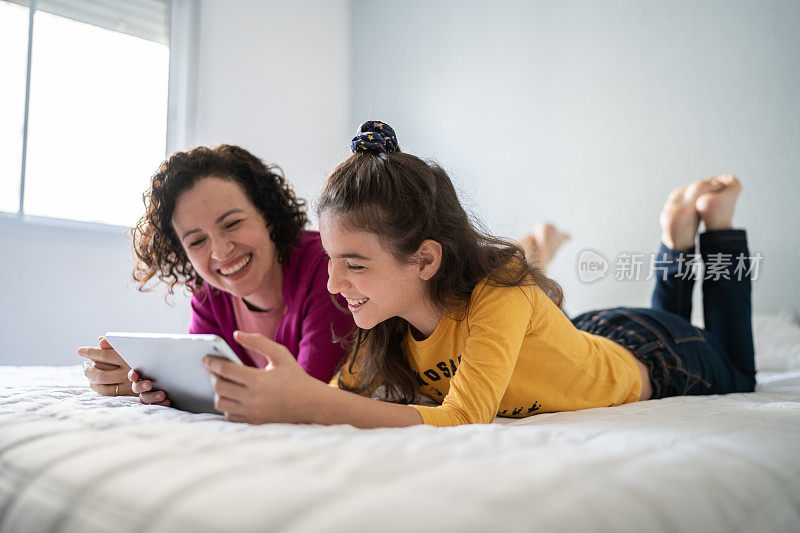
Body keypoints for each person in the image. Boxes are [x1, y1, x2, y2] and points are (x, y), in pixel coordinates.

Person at [196, 122, 756, 427]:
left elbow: (464, 415)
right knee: (665, 324)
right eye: (333, 260)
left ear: (425, 259)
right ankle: (677, 236)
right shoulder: (383, 323)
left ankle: (714, 228)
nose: (332, 284)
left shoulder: (498, 288)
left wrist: (311, 403)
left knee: (736, 368)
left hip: (660, 357)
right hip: (593, 337)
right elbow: (339, 398)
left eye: (354, 264)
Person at [78, 145, 354, 405]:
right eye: (197, 242)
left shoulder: (327, 267)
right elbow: (203, 384)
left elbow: (304, 395)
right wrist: (147, 379)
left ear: (267, 214)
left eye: (232, 224)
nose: (221, 252)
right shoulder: (208, 297)